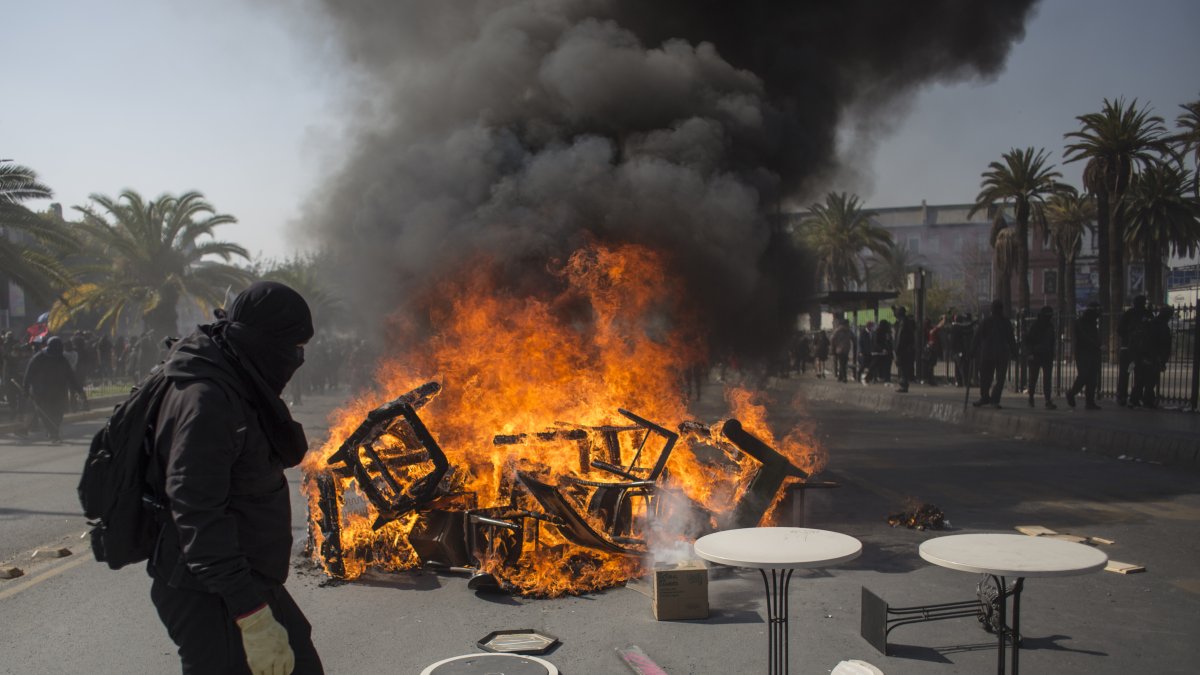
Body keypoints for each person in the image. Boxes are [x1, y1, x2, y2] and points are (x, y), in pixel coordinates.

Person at [148, 281, 323, 674]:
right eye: (293, 347)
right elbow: (197, 515)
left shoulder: (238, 378)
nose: (297, 359)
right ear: (264, 341)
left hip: (244, 582)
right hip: (210, 593)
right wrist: (252, 617)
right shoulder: (209, 401)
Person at [21, 336, 86, 443]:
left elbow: (71, 376)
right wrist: (26, 389)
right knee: (44, 412)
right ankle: (53, 433)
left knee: (59, 412)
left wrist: (79, 390)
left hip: (59, 391)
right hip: (41, 391)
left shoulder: (62, 359)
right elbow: (29, 374)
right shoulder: (38, 357)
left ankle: (54, 431)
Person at [971, 300, 1017, 408]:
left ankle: (986, 397)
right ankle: (992, 399)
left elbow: (977, 337)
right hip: (998, 353)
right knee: (997, 378)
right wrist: (1014, 352)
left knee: (986, 377)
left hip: (989, 353)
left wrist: (972, 350)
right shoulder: (1004, 322)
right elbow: (1011, 339)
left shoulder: (987, 321)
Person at [1131, 306, 1173, 409]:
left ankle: (1135, 399)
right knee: (1151, 380)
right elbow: (1164, 345)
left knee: (1141, 379)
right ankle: (1147, 400)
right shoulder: (1163, 327)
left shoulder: (1150, 323)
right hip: (1153, 356)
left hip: (1142, 355)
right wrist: (1162, 360)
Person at [1066, 302, 1103, 410]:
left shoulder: (1093, 322)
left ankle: (1090, 402)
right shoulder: (1081, 322)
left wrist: (1098, 345)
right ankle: (1072, 393)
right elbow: (1084, 336)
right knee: (1084, 375)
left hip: (1093, 352)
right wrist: (1096, 344)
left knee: (1092, 378)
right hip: (1083, 352)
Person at [1116, 295, 1148, 406]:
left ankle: (1122, 396)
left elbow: (1120, 330)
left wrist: (1127, 337)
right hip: (1139, 351)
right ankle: (1135, 397)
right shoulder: (1146, 313)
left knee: (1126, 374)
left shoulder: (1129, 313)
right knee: (1139, 375)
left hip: (1128, 349)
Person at [1023, 306, 1057, 409]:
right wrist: (1030, 353)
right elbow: (1029, 340)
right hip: (1037, 354)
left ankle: (1045, 399)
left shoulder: (1046, 326)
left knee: (1044, 379)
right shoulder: (1037, 326)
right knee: (1035, 378)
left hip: (1044, 354)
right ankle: (1033, 398)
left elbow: (1051, 341)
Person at [893, 307, 916, 392]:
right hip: (907, 348)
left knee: (902, 368)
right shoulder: (907, 322)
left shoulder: (902, 323)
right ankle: (904, 384)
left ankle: (903, 385)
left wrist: (896, 348)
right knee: (904, 367)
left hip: (902, 349)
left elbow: (900, 336)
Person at [950, 313, 976, 387]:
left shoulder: (954, 327)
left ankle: (959, 382)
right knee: (963, 367)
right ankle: (966, 382)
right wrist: (973, 323)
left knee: (958, 368)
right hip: (959, 350)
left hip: (955, 351)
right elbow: (967, 328)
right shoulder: (957, 327)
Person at [872, 319, 893, 384]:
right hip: (880, 352)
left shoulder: (888, 332)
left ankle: (887, 378)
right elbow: (876, 342)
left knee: (887, 365)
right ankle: (879, 377)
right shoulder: (878, 332)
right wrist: (882, 349)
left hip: (887, 351)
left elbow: (890, 341)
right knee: (879, 365)